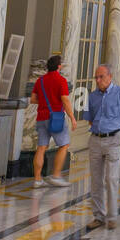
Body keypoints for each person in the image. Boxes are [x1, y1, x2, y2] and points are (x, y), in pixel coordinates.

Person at [83, 64, 120, 232]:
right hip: (96, 140)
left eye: (101, 77)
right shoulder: (92, 96)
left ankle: (112, 217)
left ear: (110, 77)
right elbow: (89, 118)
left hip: (114, 139)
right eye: (96, 77)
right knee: (96, 180)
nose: (98, 80)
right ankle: (98, 216)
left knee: (111, 179)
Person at [29, 54, 75, 188]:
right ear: (59, 66)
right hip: (55, 118)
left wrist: (44, 102)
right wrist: (72, 117)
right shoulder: (61, 80)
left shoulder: (40, 81)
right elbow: (65, 100)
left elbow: (32, 99)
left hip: (41, 117)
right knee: (64, 145)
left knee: (41, 147)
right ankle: (56, 175)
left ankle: (37, 179)